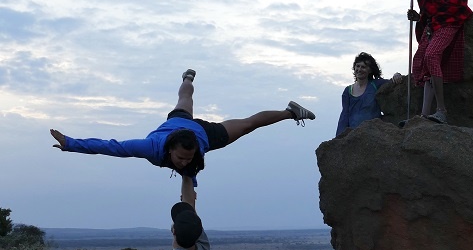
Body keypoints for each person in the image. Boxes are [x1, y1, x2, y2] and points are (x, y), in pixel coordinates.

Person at [50, 69, 316, 179]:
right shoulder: (149, 146)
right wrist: (70, 143)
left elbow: (189, 180)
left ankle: (290, 112)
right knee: (185, 97)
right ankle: (188, 77)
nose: (184, 162)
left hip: (204, 134)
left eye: (188, 159)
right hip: (178, 122)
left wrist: (190, 172)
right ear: (170, 150)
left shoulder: (195, 155)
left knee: (248, 125)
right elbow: (111, 147)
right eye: (181, 158)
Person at [407, 0, 473, 124]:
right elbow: (430, 10)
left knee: (432, 55)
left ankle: (441, 110)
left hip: (450, 21)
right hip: (434, 24)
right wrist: (418, 17)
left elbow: (456, 2)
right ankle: (424, 115)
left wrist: (435, 16)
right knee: (422, 60)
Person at [336, 52, 402, 136]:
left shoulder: (376, 85)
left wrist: (397, 75)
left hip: (373, 134)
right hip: (353, 135)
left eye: (363, 67)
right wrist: (339, 136)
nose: (359, 69)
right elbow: (345, 115)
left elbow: (392, 82)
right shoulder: (348, 91)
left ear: (370, 70)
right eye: (357, 66)